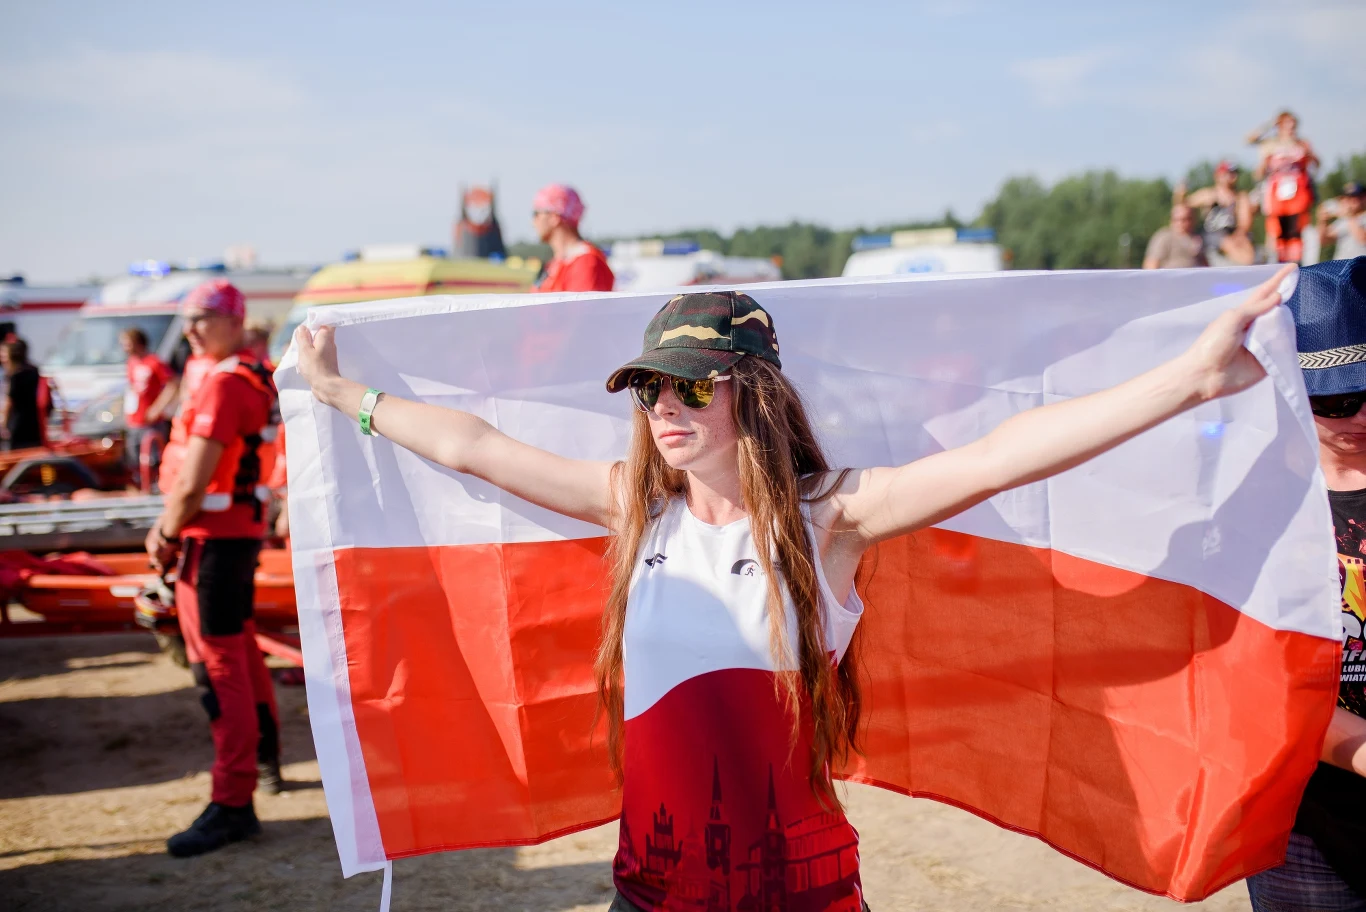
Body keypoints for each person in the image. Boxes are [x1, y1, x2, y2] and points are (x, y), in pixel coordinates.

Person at [295, 265, 1293, 910]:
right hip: (649, 889)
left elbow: (1003, 457)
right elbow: (474, 447)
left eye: (690, 385)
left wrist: (1189, 382)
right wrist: (346, 397)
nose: (661, 408)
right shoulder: (633, 509)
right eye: (647, 389)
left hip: (798, 895)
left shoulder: (831, 519)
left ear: (751, 393)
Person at [1245, 257, 1366, 910]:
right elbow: (1250, 675)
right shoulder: (1260, 499)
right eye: (1339, 398)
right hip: (1303, 823)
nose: (1360, 417)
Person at [149, 279, 284, 858]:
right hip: (232, 537)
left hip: (212, 542)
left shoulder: (227, 381)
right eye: (188, 318)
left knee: (218, 669)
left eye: (204, 316)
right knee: (242, 654)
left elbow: (195, 479)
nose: (192, 328)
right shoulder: (248, 373)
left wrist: (166, 531)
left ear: (234, 320)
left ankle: (233, 802)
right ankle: (265, 759)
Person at [1249, 110, 1320, 264]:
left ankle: (1299, 264)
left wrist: (1309, 155)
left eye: (1293, 125)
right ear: (1279, 125)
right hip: (1276, 196)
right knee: (1276, 232)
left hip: (1298, 195)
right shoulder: (1270, 144)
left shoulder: (1302, 144)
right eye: (1287, 124)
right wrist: (1269, 125)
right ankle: (1275, 263)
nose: (1291, 128)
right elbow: (1250, 140)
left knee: (1297, 232)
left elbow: (1317, 163)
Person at [531, 183, 615, 292]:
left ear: (554, 217)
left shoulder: (585, 263)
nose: (533, 222)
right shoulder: (555, 264)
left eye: (536, 214)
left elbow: (582, 309)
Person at [1174, 161, 1256, 266]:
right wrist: (1180, 193)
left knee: (1247, 250)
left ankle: (1247, 269)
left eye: (1234, 173)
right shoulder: (1209, 194)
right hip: (1211, 234)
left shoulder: (1240, 197)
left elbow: (1245, 223)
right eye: (1228, 173)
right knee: (1228, 244)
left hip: (1232, 233)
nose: (1232, 176)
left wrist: (1239, 236)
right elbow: (1182, 205)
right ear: (1218, 176)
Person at [121, 327, 172, 490]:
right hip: (134, 421)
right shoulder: (131, 363)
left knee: (152, 460)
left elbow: (173, 384)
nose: (124, 348)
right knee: (135, 462)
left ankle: (157, 490)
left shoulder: (154, 362)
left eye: (127, 344)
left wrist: (157, 408)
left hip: (151, 422)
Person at [1, 338, 43, 450]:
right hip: (35, 424)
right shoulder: (34, 370)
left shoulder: (16, 376)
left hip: (17, 425)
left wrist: (3, 425)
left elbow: (10, 403)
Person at [1143, 204, 1208, 269]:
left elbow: (1205, 265)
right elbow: (1151, 264)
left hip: (1195, 277)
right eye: (1178, 219)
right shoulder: (1164, 237)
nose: (1182, 223)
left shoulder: (1198, 237)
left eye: (1187, 219)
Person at [1318, 181, 1366, 263]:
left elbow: (1363, 239)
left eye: (1357, 196)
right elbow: (1324, 240)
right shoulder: (1345, 219)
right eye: (1349, 197)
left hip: (1361, 269)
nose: (1353, 200)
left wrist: (1349, 216)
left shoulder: (1354, 217)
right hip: (1341, 269)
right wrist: (1323, 221)